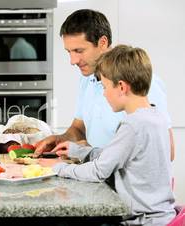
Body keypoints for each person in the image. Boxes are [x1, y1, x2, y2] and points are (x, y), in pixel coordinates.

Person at [50, 45, 176, 225]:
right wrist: (77, 151)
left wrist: (56, 168)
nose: (104, 94)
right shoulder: (155, 117)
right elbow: (116, 156)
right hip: (161, 217)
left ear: (122, 87)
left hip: (142, 221)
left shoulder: (132, 125)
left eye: (105, 87)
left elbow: (98, 171)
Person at [33, 9, 175, 160]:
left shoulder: (141, 81)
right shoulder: (87, 79)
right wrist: (60, 139)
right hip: (100, 176)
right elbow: (78, 129)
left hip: (126, 182)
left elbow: (166, 151)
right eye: (69, 52)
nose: (73, 61)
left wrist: (92, 153)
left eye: (79, 51)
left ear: (102, 43)